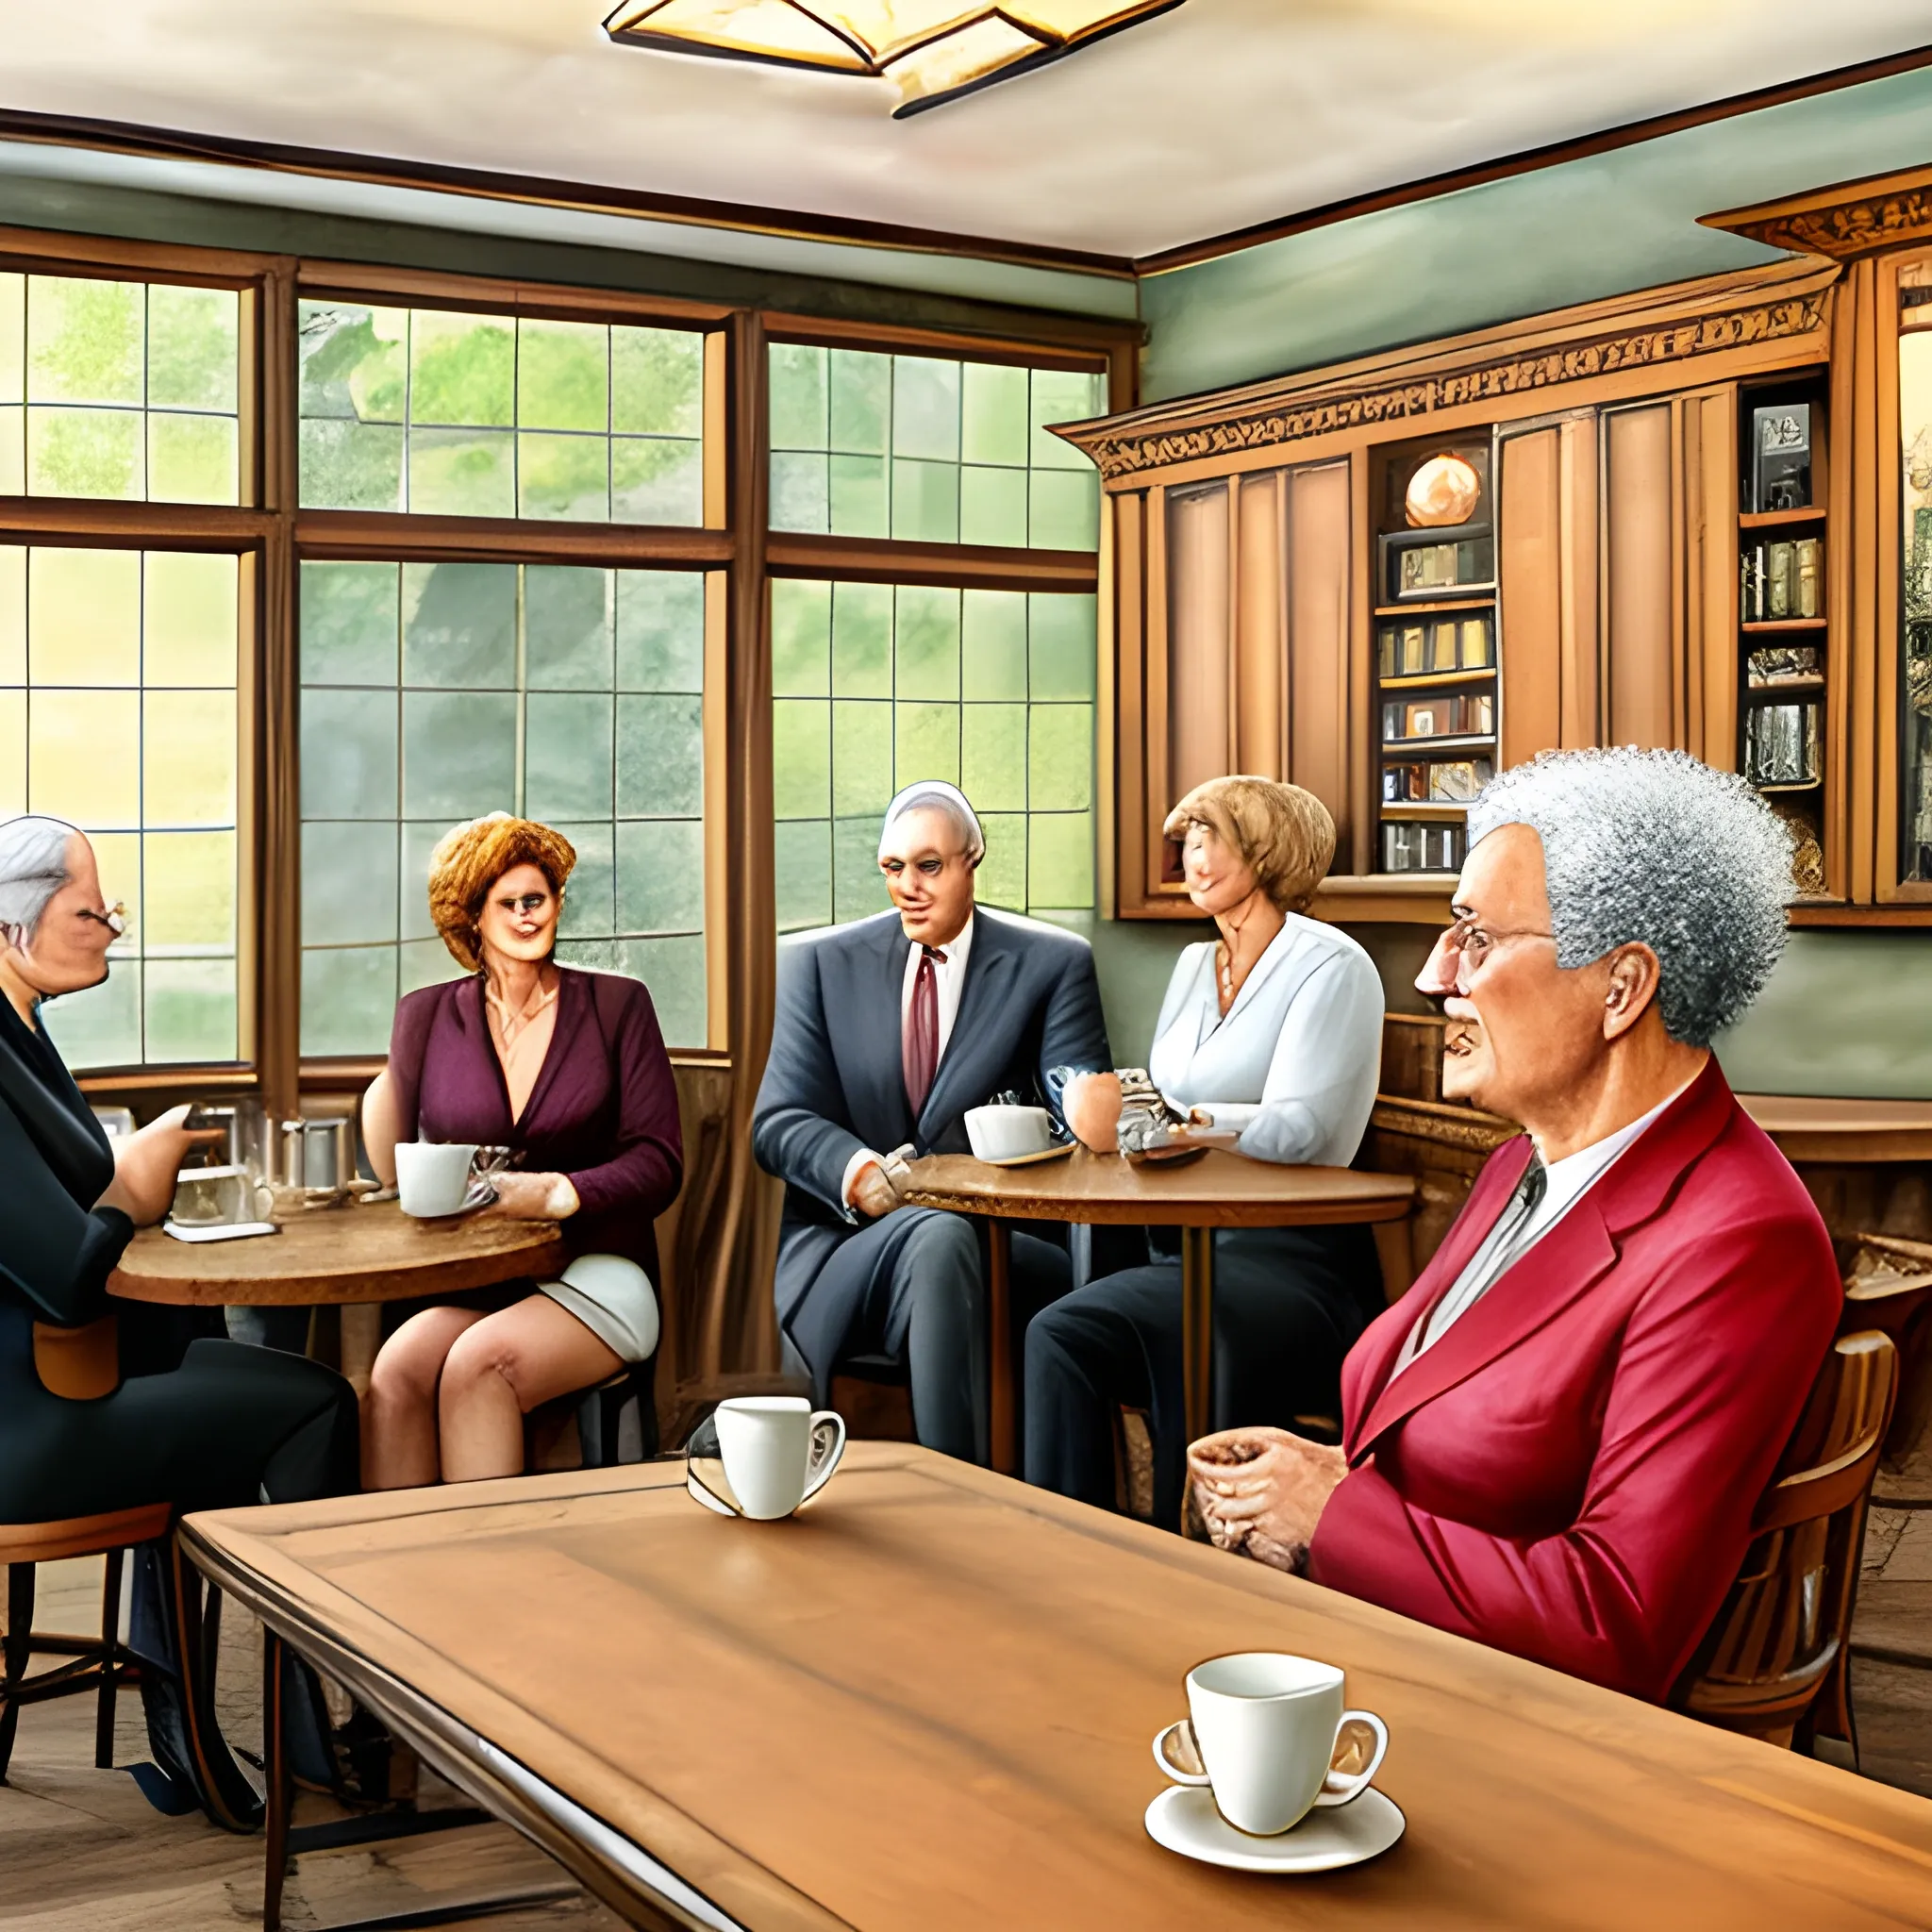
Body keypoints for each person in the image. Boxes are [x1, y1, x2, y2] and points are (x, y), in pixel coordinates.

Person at [1188, 748, 1841, 1706]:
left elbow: (1615, 1624)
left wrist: (1332, 1514)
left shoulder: (1740, 1244)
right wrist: (1311, 1473)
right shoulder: (1517, 1163)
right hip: (1382, 1660)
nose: (1431, 973)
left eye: (1475, 938)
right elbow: (1446, 1433)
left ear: (1620, 987)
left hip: (1497, 1736)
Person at [0, 814, 359, 1821]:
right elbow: (66, 1277)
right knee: (314, 1400)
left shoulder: (24, 1031)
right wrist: (130, 1186)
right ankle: (310, 1725)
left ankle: (217, 1723)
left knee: (230, 1378)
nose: (110, 926)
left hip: (72, 1383)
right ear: (10, 921)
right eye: (91, 908)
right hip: (30, 1431)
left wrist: (122, 1188)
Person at [1025, 775, 1386, 1523]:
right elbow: (1155, 1098)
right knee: (1057, 1329)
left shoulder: (1333, 964)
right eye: (1188, 840)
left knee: (1072, 1329)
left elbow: (1309, 1130)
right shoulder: (1194, 965)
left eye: (1213, 837)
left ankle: (1157, 1561)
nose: (1194, 856)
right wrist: (1113, 1109)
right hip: (1185, 1243)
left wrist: (1178, 1121)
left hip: (1292, 1259)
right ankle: (1069, 1551)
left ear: (1268, 849)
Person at [753, 781, 1110, 1464]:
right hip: (845, 1249)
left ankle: (975, 1492)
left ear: (972, 860)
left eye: (929, 867)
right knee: (939, 1239)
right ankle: (968, 1489)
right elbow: (778, 1120)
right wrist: (856, 1172)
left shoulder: (1052, 965)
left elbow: (1077, 1100)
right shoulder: (819, 966)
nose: (908, 888)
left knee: (949, 1240)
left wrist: (1074, 1111)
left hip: (1004, 1243)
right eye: (894, 869)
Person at [360, 813, 682, 1487]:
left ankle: (491, 1585)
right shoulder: (423, 1018)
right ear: (472, 917)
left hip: (598, 1268)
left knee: (479, 1365)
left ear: (558, 903)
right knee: (396, 1372)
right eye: (506, 903)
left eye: (537, 899)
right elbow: (395, 1170)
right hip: (478, 1277)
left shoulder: (620, 1007)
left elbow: (659, 1161)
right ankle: (403, 1581)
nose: (526, 915)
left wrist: (559, 1192)